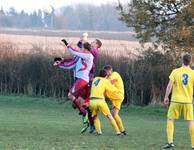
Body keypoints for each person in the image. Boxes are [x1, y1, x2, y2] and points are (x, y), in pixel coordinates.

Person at [54, 39, 94, 124]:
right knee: (80, 103)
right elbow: (71, 63)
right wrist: (61, 62)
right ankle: (91, 123)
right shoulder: (81, 56)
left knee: (70, 95)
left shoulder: (88, 55)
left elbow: (74, 52)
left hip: (82, 80)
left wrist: (67, 45)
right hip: (80, 80)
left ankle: (85, 114)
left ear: (85, 49)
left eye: (82, 47)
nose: (81, 49)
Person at [163, 54, 194, 149]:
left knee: (170, 119)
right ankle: (193, 145)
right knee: (191, 122)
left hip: (175, 101)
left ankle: (170, 142)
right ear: (190, 61)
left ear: (182, 60)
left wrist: (166, 97)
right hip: (188, 102)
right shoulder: (193, 73)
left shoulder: (175, 72)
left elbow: (169, 86)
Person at [89, 69, 121, 135]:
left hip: (92, 101)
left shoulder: (95, 79)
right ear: (106, 76)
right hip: (100, 101)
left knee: (95, 116)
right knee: (109, 116)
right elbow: (111, 89)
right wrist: (118, 91)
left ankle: (99, 132)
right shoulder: (105, 81)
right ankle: (118, 132)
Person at [103, 65, 126, 135]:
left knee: (104, 91)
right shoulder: (107, 77)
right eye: (105, 72)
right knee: (114, 114)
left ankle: (98, 99)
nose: (106, 73)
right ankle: (122, 131)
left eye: (107, 71)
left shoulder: (115, 74)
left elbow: (109, 81)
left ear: (110, 70)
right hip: (116, 97)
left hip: (118, 95)